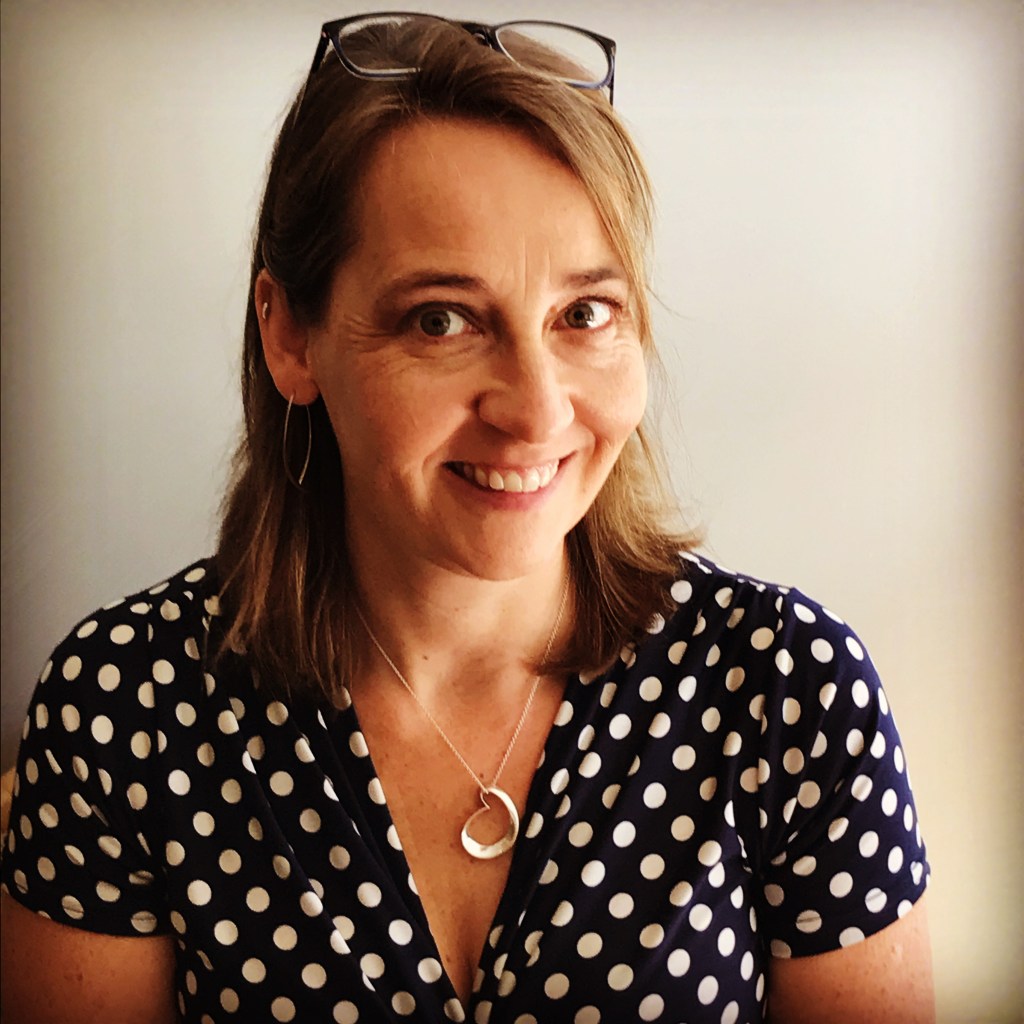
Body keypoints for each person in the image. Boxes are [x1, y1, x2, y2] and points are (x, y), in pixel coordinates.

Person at [0, 13, 933, 1023]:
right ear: (289, 337)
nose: (535, 410)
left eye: (584, 314)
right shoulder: (124, 708)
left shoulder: (789, 690)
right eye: (442, 319)